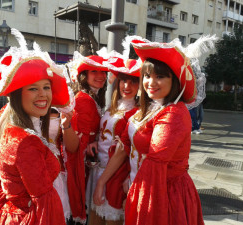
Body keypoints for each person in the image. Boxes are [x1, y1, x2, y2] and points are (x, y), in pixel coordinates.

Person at [94, 35, 216, 225]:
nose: (151, 82)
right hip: (142, 187)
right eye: (148, 76)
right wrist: (102, 181)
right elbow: (124, 146)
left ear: (174, 79)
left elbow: (155, 163)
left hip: (163, 195)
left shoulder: (174, 113)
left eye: (160, 76)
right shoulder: (149, 108)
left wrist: (135, 189)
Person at [0, 28, 71, 225]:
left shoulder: (16, 128)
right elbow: (44, 205)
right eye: (33, 89)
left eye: (46, 87)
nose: (43, 95)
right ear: (17, 96)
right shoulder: (25, 141)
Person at [87, 57, 141, 225]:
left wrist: (102, 182)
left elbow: (122, 151)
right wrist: (96, 141)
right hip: (99, 172)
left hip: (116, 176)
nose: (127, 86)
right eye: (124, 80)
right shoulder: (113, 106)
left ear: (141, 86)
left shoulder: (137, 113)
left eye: (133, 82)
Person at [65, 52, 108, 224]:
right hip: (82, 164)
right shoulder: (83, 99)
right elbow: (78, 140)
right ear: (84, 76)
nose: (100, 76)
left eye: (103, 72)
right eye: (94, 72)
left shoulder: (92, 97)